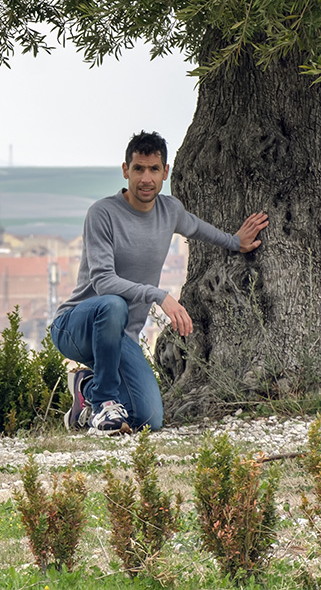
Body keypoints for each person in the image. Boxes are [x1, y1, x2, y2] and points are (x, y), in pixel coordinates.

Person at [52, 130, 268, 434]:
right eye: (139, 169)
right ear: (126, 170)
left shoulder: (170, 211)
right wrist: (158, 295)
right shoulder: (103, 213)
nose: (146, 178)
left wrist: (235, 241)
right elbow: (102, 282)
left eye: (154, 169)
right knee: (113, 305)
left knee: (149, 417)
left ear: (165, 172)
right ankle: (102, 402)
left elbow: (199, 229)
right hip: (76, 327)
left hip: (120, 338)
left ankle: (86, 390)